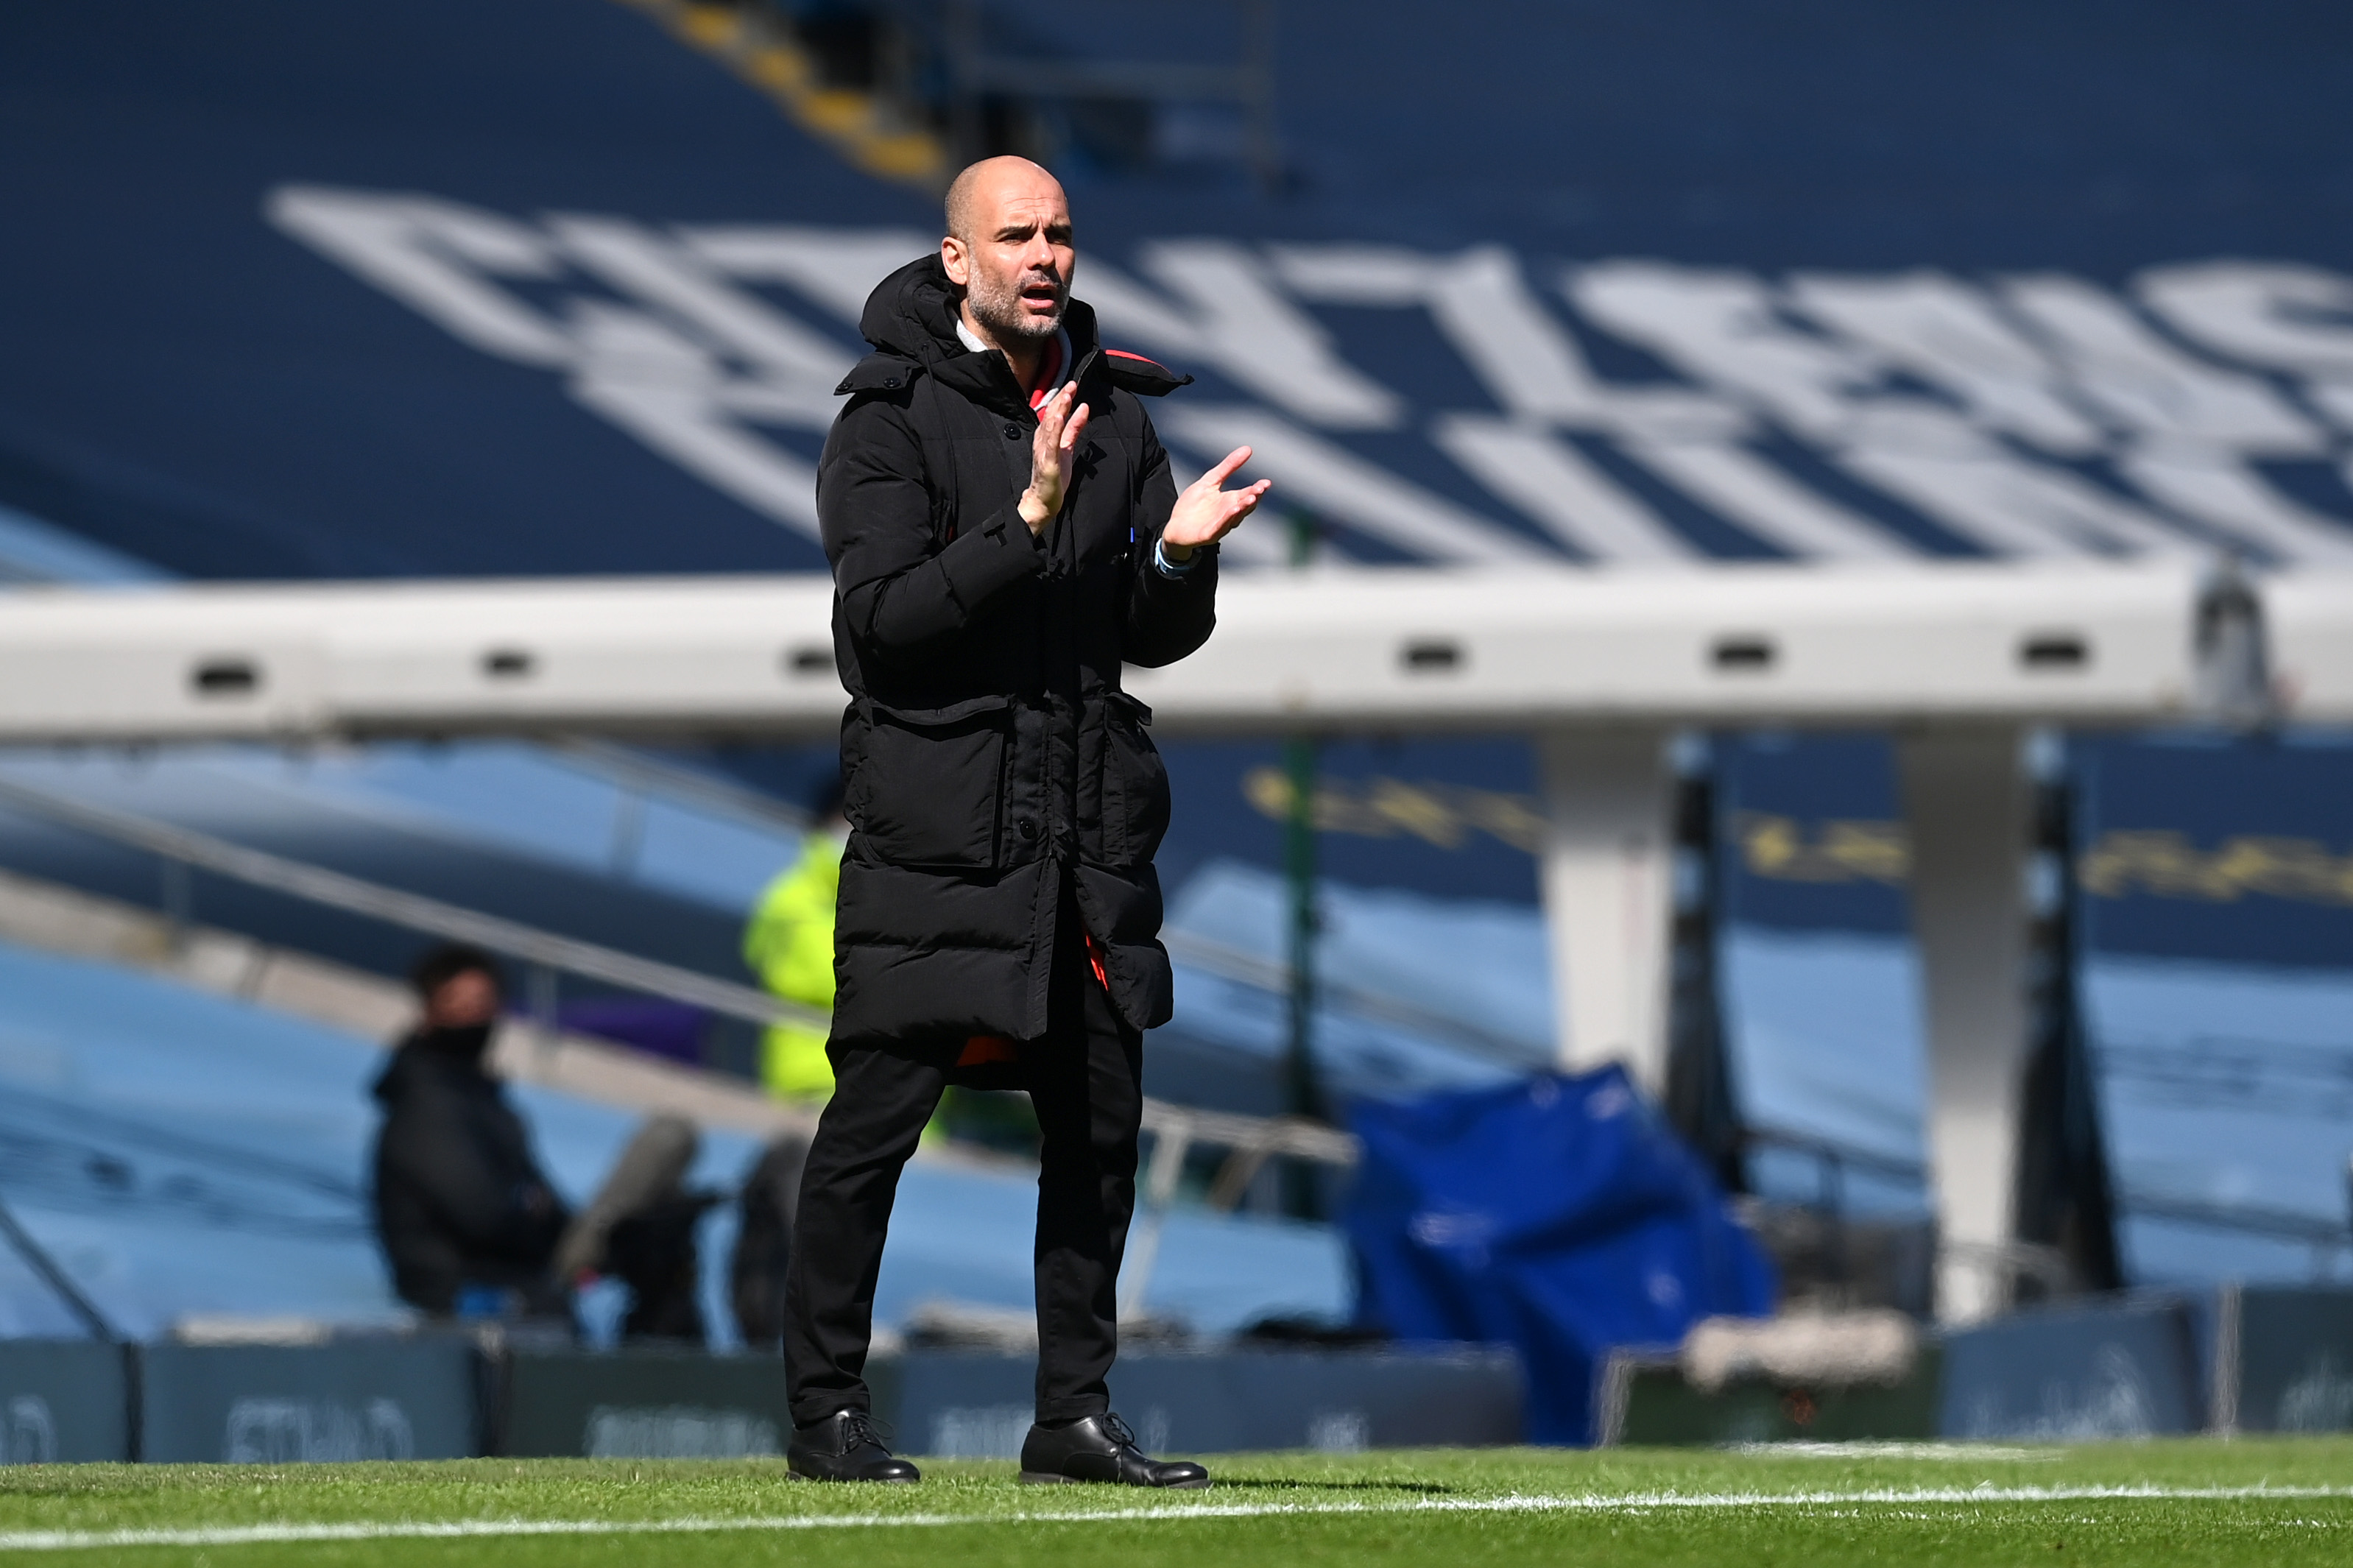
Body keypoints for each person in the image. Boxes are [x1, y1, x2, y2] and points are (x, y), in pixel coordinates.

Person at [783, 155, 1268, 1486]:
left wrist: (1180, 556)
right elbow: (878, 633)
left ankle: (1072, 1418)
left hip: (1081, 851)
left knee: (1098, 1138)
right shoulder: (883, 418)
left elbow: (1141, 640)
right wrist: (1026, 518)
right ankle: (824, 1416)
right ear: (958, 261)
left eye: (1061, 233)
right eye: (1017, 235)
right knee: (870, 1136)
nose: (1046, 255)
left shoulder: (1112, 412)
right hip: (939, 841)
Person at [370, 942, 708, 1338]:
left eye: (484, 1004)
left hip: (512, 1274)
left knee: (656, 1233)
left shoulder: (478, 1097)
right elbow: (486, 1216)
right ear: (429, 1011)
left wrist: (566, 1229)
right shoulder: (427, 1105)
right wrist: (545, 1226)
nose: (474, 1017)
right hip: (463, 1287)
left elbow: (529, 1198)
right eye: (460, 1005)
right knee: (664, 1143)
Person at [743, 776, 850, 1104]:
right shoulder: (790, 899)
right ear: (825, 823)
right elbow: (839, 979)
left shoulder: (903, 901)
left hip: (911, 1104)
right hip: (810, 1087)